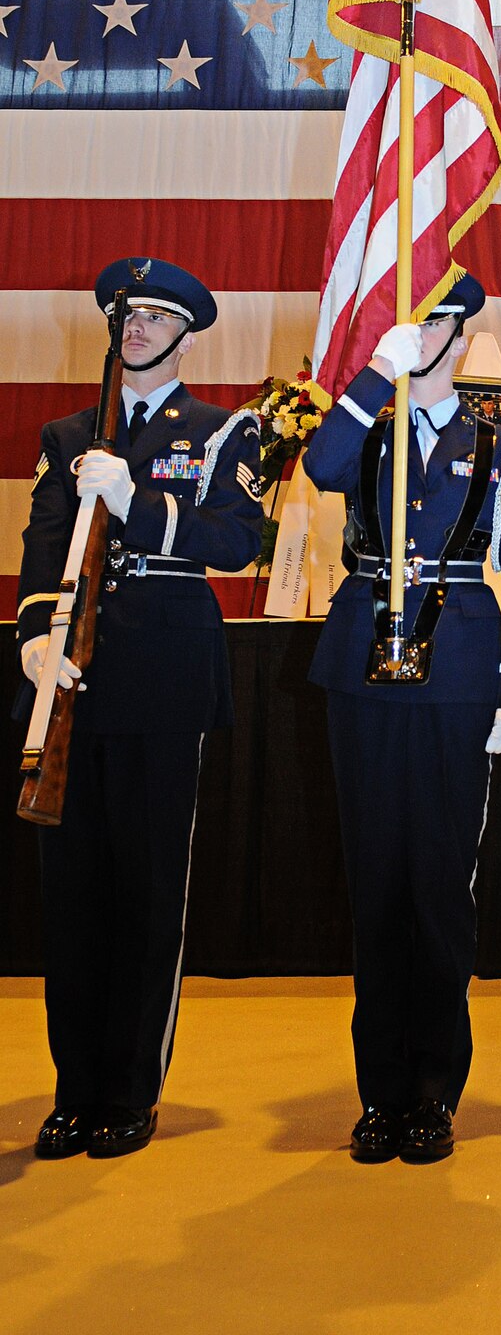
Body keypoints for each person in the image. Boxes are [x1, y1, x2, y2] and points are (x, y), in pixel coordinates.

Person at [16, 256, 263, 1160]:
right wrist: (35, 639)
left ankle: (130, 1090)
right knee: (73, 897)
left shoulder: (222, 430)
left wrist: (139, 501)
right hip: (71, 681)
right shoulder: (67, 432)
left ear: (187, 332)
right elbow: (46, 550)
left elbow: (238, 542)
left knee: (150, 892)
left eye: (159, 317)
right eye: (129, 314)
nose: (139, 328)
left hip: (162, 678)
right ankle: (74, 1088)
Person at [303, 275, 501, 1166]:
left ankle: (435, 1088)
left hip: (456, 675)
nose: (422, 332)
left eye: (436, 321)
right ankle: (381, 1093)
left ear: (460, 335)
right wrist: (374, 377)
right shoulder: (363, 428)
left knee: (440, 884)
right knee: (375, 884)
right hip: (363, 670)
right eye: (411, 321)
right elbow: (320, 468)